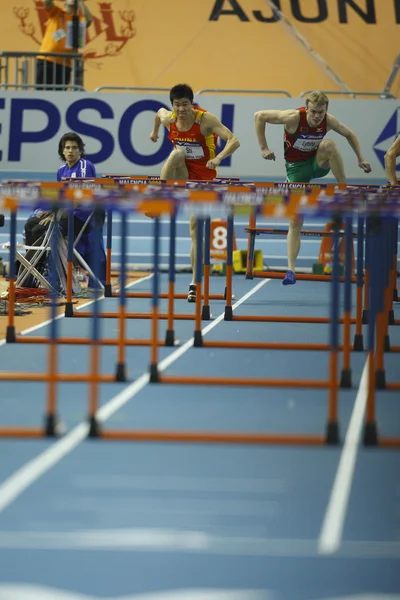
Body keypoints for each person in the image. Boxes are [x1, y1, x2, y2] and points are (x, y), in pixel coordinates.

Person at [254, 91, 372, 285]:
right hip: (296, 171)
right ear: (306, 109)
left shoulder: (328, 120)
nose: (317, 116)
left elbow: (350, 134)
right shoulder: (293, 117)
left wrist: (361, 158)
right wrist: (263, 147)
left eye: (321, 112)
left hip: (317, 165)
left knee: (330, 145)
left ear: (326, 111)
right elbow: (260, 116)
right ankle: (291, 270)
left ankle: (343, 191)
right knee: (295, 220)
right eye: (314, 112)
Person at [149, 83, 240, 301]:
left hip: (202, 179)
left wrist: (218, 158)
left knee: (195, 230)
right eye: (177, 105)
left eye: (185, 105)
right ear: (173, 106)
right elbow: (157, 114)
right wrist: (154, 133)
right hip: (182, 173)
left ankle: (194, 281)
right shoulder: (168, 118)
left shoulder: (205, 120)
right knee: (175, 155)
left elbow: (234, 140)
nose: (181, 109)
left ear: (192, 104)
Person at [24, 132, 105, 288]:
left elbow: (78, 197)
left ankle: (55, 275)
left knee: (43, 228)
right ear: (62, 151)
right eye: (67, 148)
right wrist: (51, 211)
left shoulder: (84, 166)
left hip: (81, 217)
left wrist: (56, 215)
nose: (70, 151)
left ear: (80, 151)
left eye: (74, 148)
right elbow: (61, 198)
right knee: (31, 225)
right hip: (66, 214)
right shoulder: (61, 170)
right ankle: (31, 275)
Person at [36, 0, 93, 90]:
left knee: (59, 96)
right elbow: (47, 4)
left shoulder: (78, 19)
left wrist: (80, 1)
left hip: (64, 65)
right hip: (47, 61)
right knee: (41, 94)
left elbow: (89, 20)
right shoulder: (57, 12)